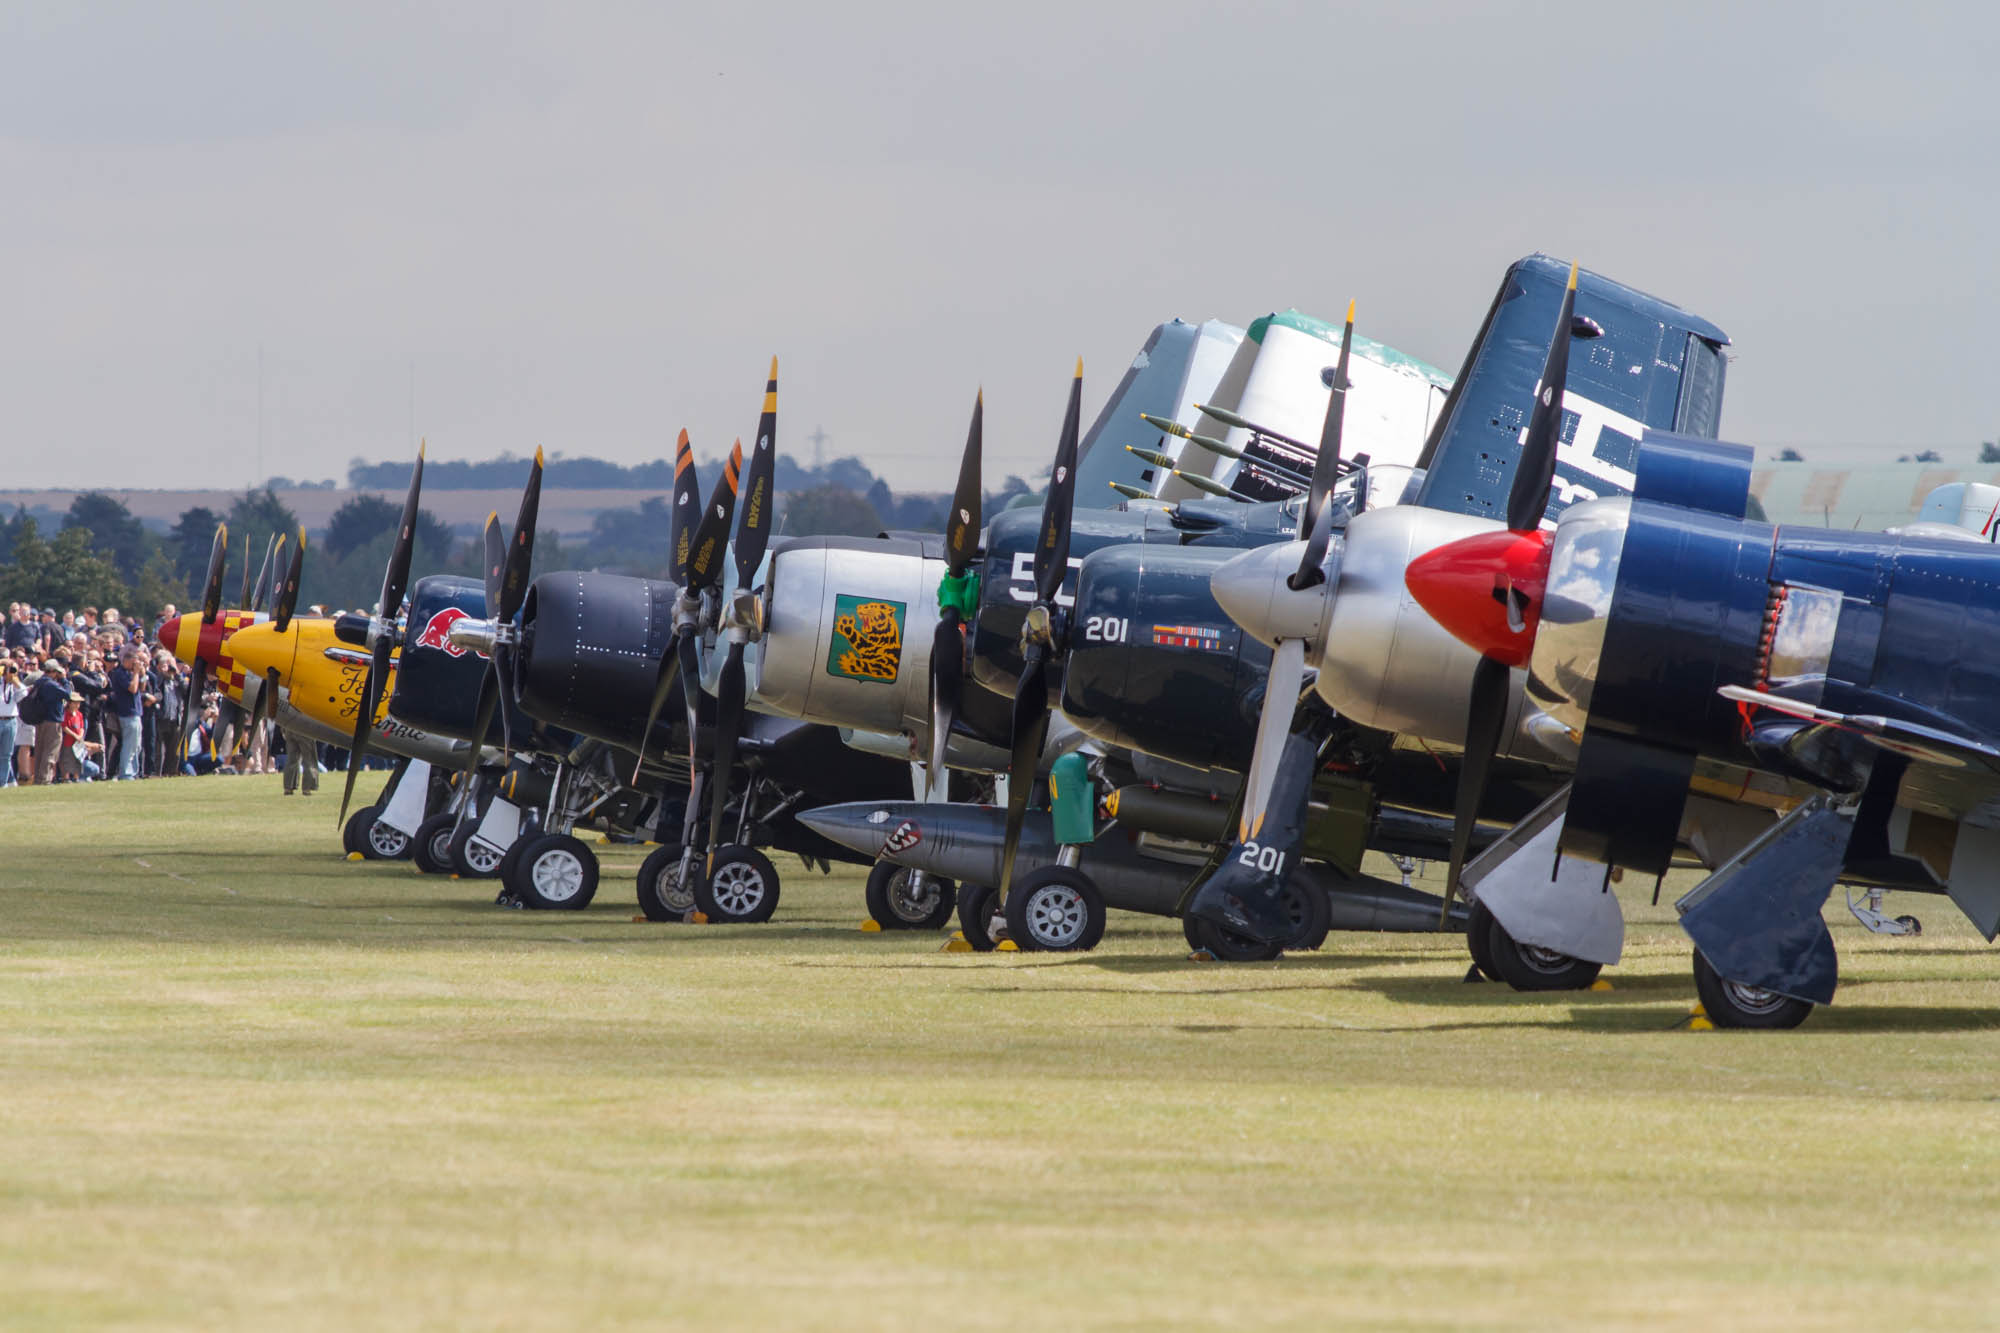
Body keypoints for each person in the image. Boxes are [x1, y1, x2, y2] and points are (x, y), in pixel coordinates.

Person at [105, 648, 145, 780]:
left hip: (136, 712)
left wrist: (141, 673)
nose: (135, 666)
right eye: (134, 663)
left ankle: (133, 771)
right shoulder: (120, 673)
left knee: (136, 745)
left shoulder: (131, 673)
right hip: (127, 713)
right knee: (129, 744)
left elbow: (142, 688)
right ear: (127, 662)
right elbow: (133, 689)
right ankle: (126, 773)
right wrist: (136, 673)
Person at [30, 660, 69, 785]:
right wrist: (64, 680)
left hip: (41, 720)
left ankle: (38, 778)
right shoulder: (51, 685)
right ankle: (45, 778)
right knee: (51, 750)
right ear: (52, 672)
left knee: (40, 750)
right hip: (52, 721)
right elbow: (67, 694)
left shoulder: (39, 683)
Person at [0, 658, 22, 786]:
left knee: (6, 754)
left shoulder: (13, 685)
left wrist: (15, 682)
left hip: (10, 721)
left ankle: (3, 782)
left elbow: (24, 695)